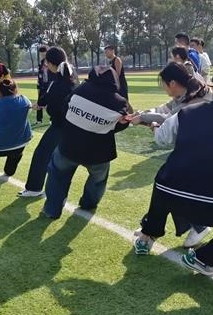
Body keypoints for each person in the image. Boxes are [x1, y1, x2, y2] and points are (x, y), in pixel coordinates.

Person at [133, 66, 213, 275]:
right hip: (210, 205)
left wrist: (155, 126)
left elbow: (162, 138)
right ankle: (203, 258)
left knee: (166, 180)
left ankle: (147, 236)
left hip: (171, 194)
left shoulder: (187, 112)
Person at [129, 61, 213, 247]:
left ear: (173, 83)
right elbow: (165, 109)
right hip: (192, 152)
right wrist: (143, 114)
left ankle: (195, 226)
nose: (163, 87)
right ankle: (152, 228)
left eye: (163, 84)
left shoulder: (196, 99)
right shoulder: (187, 92)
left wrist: (144, 119)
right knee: (166, 187)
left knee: (167, 186)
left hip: (203, 155)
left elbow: (170, 119)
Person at [42, 66, 130, 219]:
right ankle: (88, 204)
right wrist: (100, 126)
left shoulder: (80, 90)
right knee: (97, 180)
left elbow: (65, 110)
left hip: (69, 145)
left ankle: (51, 209)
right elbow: (122, 124)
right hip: (99, 152)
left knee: (57, 176)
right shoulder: (120, 102)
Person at [18, 47, 78, 197]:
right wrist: (43, 103)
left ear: (51, 63)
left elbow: (51, 96)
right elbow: (52, 96)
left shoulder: (60, 80)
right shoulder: (71, 73)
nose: (46, 65)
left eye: (47, 62)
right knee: (57, 157)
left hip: (61, 125)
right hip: (71, 125)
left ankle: (34, 188)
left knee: (42, 154)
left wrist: (41, 104)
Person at [104, 45, 130, 110]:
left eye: (107, 52)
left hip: (121, 85)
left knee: (125, 102)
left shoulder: (117, 60)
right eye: (105, 52)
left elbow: (117, 74)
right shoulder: (110, 62)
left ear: (112, 51)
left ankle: (132, 114)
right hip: (115, 85)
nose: (106, 54)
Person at [36, 46, 51, 124]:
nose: (42, 56)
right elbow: (39, 75)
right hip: (42, 85)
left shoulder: (52, 62)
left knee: (51, 102)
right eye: (41, 54)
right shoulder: (41, 63)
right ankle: (39, 119)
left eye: (44, 54)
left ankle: (52, 119)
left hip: (50, 84)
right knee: (39, 101)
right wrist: (38, 85)